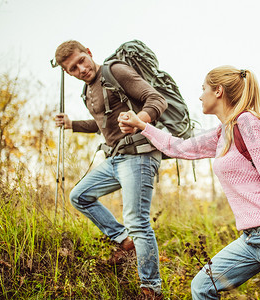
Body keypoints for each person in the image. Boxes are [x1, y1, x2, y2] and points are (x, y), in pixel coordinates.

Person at [118, 65, 260, 299]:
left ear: (218, 91)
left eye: (203, 88)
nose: (200, 95)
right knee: (202, 287)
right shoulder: (223, 133)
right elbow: (179, 147)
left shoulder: (249, 124)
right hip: (251, 240)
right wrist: (142, 126)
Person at [54, 40, 167, 299]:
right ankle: (125, 240)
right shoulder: (87, 92)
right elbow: (100, 125)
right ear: (67, 72)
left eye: (82, 60)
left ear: (89, 53)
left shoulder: (116, 71)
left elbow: (156, 99)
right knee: (79, 196)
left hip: (139, 155)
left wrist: (141, 119)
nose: (81, 69)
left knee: (138, 222)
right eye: (73, 68)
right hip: (115, 158)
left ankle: (151, 290)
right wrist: (72, 124)